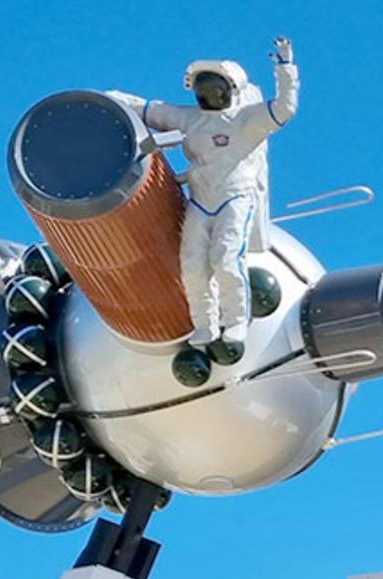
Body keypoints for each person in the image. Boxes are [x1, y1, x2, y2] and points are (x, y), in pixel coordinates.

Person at [111, 37, 299, 383]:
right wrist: (111, 99)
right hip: (201, 199)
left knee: (226, 259)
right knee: (193, 264)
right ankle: (205, 324)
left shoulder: (247, 119)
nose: (209, 96)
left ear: (231, 88)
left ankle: (236, 322)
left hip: (235, 197)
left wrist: (285, 67)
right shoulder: (190, 119)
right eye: (203, 90)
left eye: (215, 89)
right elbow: (151, 110)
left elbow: (285, 108)